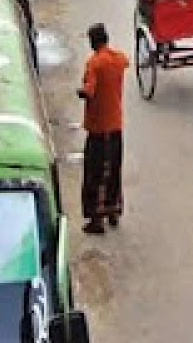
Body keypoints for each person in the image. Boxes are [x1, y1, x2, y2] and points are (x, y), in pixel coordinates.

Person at [77, 24, 130, 235]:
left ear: (93, 41)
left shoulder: (94, 63)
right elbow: (125, 62)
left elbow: (89, 91)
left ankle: (97, 219)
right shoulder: (118, 58)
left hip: (99, 127)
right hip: (116, 125)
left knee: (96, 173)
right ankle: (113, 210)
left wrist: (81, 91)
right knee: (114, 169)